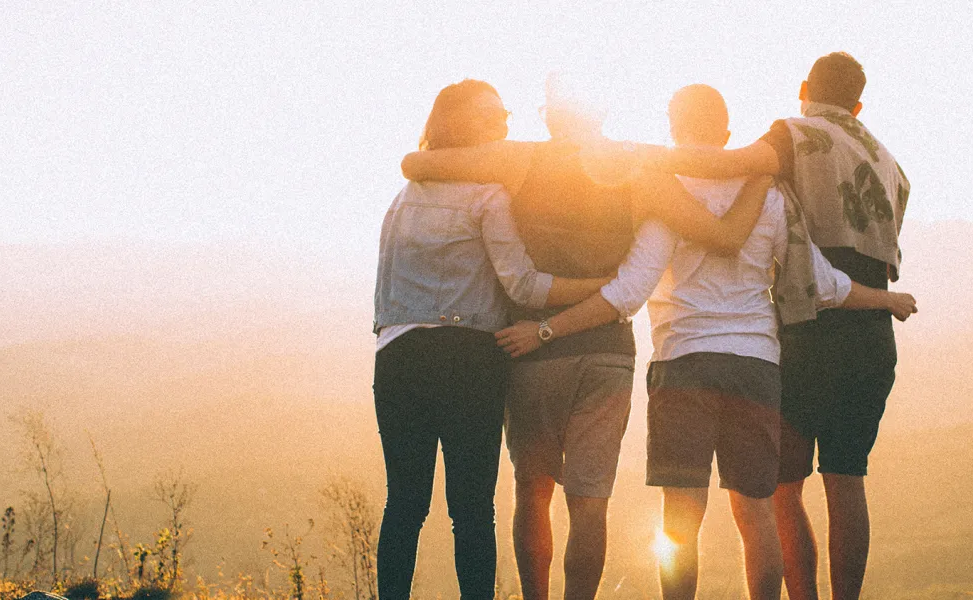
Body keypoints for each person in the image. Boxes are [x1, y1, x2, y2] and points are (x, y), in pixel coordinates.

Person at [494, 84, 916, 600]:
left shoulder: (666, 193)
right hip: (757, 364)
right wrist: (884, 299)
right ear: (728, 131)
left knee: (680, 518)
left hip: (683, 364)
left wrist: (548, 328)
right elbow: (820, 281)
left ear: (673, 128)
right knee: (756, 511)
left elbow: (629, 292)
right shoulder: (772, 195)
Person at [400, 75, 771, 600]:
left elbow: (419, 165)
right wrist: (765, 165)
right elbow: (724, 235)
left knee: (532, 491)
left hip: (529, 350)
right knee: (589, 502)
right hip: (607, 353)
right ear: (600, 113)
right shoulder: (639, 167)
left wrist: (419, 162)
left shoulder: (518, 159)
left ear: (551, 114)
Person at [649, 53, 913, 600]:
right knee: (847, 482)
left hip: (806, 329)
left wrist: (636, 161)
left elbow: (727, 166)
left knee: (782, 491)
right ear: (858, 104)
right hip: (870, 330)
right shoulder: (889, 162)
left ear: (803, 89)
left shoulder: (792, 134)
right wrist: (884, 301)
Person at [371, 79, 612, 600]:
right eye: (490, 115)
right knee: (472, 509)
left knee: (404, 504)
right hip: (468, 359)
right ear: (458, 123)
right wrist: (602, 289)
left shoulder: (402, 198)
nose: (503, 122)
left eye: (504, 112)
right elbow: (523, 284)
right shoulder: (488, 194)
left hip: (397, 357)